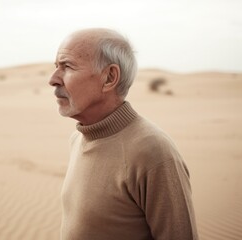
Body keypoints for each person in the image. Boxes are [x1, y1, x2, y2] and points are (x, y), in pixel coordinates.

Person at [49, 28, 198, 240]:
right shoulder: (78, 139)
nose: (53, 79)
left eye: (67, 67)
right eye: (56, 67)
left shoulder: (154, 152)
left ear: (109, 77)